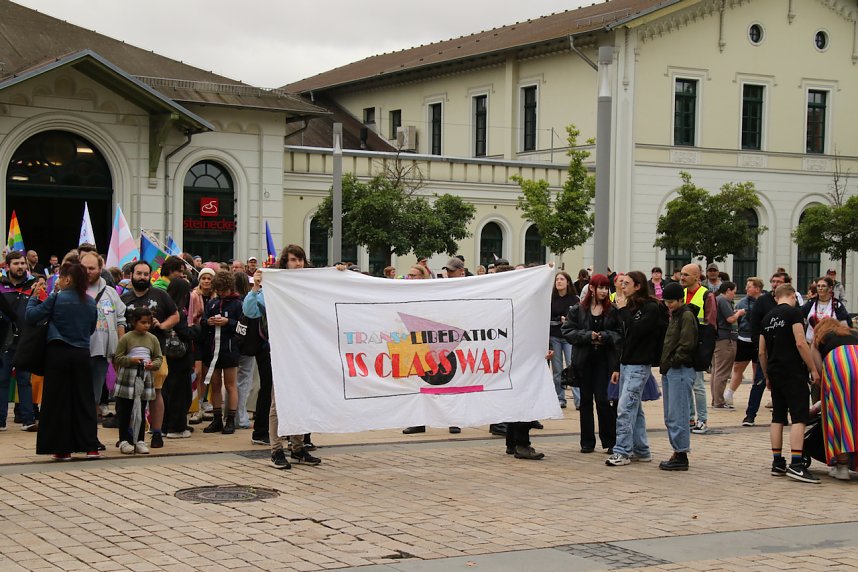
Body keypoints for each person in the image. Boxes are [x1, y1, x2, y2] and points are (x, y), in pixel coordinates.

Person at [247, 244, 321, 468]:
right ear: (285, 263)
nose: (297, 264)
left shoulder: (310, 284)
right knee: (277, 402)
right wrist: (256, 286)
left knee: (301, 399)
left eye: (300, 259)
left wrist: (339, 272)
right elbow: (250, 310)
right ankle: (276, 449)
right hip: (281, 351)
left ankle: (297, 447)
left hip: (304, 351)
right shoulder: (274, 286)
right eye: (293, 260)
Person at [26, 262, 98, 460]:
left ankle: (62, 449)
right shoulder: (90, 301)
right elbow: (91, 328)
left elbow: (31, 316)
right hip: (82, 353)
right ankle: (90, 447)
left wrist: (33, 298)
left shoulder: (57, 297)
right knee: (84, 399)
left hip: (58, 352)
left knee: (58, 401)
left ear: (67, 279)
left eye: (60, 277)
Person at [759, 283, 821, 484]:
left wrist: (767, 375)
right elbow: (801, 342)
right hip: (793, 371)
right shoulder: (794, 313)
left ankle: (777, 462)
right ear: (793, 296)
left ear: (776, 297)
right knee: (799, 417)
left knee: (778, 416)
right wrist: (813, 369)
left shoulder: (766, 318)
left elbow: (761, 351)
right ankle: (796, 463)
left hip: (775, 371)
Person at [120, 261, 179, 449]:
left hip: (156, 352)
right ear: (131, 275)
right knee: (129, 395)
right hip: (130, 355)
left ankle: (157, 432)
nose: (142, 277)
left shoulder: (160, 295)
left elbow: (175, 315)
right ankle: (128, 434)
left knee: (155, 393)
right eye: (139, 273)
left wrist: (162, 325)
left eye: (146, 274)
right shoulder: (124, 299)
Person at [403, 256, 462, 435]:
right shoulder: (403, 293)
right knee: (419, 382)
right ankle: (419, 421)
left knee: (448, 380)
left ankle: (453, 420)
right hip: (418, 342)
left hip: (441, 341)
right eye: (409, 275)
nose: (410, 278)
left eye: (414, 275)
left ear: (423, 277)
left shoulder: (436, 291)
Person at [606, 271, 660, 467]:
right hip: (626, 363)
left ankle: (622, 451)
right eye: (621, 283)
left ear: (638, 286)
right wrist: (616, 366)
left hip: (639, 364)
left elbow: (637, 330)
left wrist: (622, 310)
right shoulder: (628, 306)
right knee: (634, 409)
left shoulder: (651, 308)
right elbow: (621, 338)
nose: (623, 287)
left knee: (625, 408)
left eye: (627, 283)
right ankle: (641, 450)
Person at [562, 274, 621, 454]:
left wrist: (604, 336)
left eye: (606, 288)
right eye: (600, 287)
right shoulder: (579, 309)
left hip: (604, 360)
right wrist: (588, 336)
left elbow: (619, 334)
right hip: (584, 360)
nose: (604, 291)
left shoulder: (612, 310)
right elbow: (567, 331)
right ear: (592, 289)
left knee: (603, 400)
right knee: (585, 401)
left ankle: (609, 441)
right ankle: (587, 442)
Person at [80, 251, 126, 425]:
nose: (88, 271)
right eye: (84, 268)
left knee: (95, 394)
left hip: (102, 353)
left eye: (92, 268)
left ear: (100, 269)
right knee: (77, 393)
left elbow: (120, 320)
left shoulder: (111, 293)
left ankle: (90, 430)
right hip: (78, 351)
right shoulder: (72, 290)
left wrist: (121, 348)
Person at [810, 318, 858, 480]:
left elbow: (818, 371)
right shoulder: (852, 333)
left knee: (840, 413)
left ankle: (842, 466)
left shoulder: (819, 338)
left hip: (839, 363)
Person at [658, 282, 698, 471]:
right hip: (672, 369)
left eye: (672, 301)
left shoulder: (686, 316)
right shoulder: (676, 315)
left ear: (680, 299)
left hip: (680, 369)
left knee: (678, 414)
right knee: (671, 414)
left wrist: (674, 361)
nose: (669, 305)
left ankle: (681, 454)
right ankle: (678, 451)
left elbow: (687, 343)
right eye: (666, 302)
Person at [112, 307, 163, 454]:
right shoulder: (126, 338)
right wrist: (131, 360)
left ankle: (139, 440)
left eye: (149, 323)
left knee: (140, 409)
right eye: (143, 322)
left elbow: (158, 357)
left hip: (144, 377)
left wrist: (153, 365)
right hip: (128, 378)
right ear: (134, 322)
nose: (146, 325)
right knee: (125, 410)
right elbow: (118, 357)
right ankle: (124, 440)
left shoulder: (152, 339)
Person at [0, 250, 39, 431]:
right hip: (4, 343)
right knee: (2, 380)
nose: (20, 266)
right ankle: (1, 421)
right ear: (7, 266)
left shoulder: (34, 286)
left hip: (26, 342)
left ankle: (28, 420)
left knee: (25, 381)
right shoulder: (1, 287)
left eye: (23, 263)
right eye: (16, 263)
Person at [201, 271, 243, 435]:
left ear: (230, 288)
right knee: (215, 384)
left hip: (230, 349)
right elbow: (203, 321)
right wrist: (208, 322)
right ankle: (217, 419)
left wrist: (228, 322)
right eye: (218, 290)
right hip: (212, 349)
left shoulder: (238, 304)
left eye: (224, 290)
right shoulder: (212, 303)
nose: (221, 293)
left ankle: (230, 420)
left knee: (230, 385)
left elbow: (243, 327)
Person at [679, 263, 716, 434]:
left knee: (698, 385)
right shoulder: (682, 293)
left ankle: (702, 420)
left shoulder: (706, 295)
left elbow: (711, 322)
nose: (682, 277)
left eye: (686, 274)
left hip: (699, 343)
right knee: (685, 383)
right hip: (683, 343)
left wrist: (705, 348)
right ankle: (690, 418)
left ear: (697, 276)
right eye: (681, 274)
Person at [725, 277, 765, 421]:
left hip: (758, 340)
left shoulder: (764, 302)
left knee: (757, 369)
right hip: (744, 339)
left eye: (750, 286)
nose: (746, 289)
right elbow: (737, 320)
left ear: (758, 289)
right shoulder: (742, 303)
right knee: (738, 367)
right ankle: (729, 394)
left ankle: (755, 396)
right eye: (747, 286)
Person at [163, 278, 195, 438]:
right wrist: (198, 329)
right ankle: (176, 427)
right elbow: (185, 332)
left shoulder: (163, 308)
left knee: (165, 392)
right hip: (180, 357)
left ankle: (163, 425)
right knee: (180, 393)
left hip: (165, 355)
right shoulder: (179, 311)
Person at [710, 281, 743, 408]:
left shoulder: (716, 299)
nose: (734, 295)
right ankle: (719, 401)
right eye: (734, 292)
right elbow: (730, 319)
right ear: (728, 290)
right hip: (725, 339)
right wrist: (739, 313)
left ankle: (716, 400)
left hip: (717, 338)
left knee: (716, 371)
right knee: (722, 372)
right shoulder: (723, 300)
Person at [549, 271, 579, 409]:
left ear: (568, 282)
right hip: (554, 336)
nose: (559, 281)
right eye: (557, 279)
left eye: (562, 279)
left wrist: (568, 320)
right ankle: (560, 398)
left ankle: (579, 400)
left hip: (569, 337)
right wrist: (557, 319)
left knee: (573, 367)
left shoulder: (574, 299)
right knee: (557, 370)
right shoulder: (551, 298)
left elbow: (579, 317)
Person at [802, 276, 851, 344]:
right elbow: (800, 318)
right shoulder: (811, 303)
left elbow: (844, 326)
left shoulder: (837, 305)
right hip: (811, 343)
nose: (820, 288)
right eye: (818, 286)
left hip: (830, 344)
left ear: (830, 288)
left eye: (823, 286)